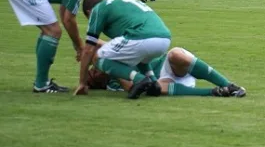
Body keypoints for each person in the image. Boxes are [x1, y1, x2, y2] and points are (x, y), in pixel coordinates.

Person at [3, 0, 122, 93]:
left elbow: (64, 10)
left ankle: (42, 82)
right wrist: (80, 47)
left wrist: (76, 45)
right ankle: (41, 84)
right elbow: (68, 18)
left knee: (50, 31)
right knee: (53, 31)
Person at [74, 0, 172, 99]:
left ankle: (139, 79)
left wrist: (82, 83)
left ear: (89, 12)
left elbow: (89, 50)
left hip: (142, 36)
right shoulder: (120, 5)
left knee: (99, 57)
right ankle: (154, 83)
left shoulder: (97, 10)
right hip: (164, 38)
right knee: (138, 55)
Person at [86, 45, 246, 98]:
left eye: (93, 69)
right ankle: (213, 92)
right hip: (163, 83)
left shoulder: (115, 56)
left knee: (175, 54)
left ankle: (230, 85)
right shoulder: (113, 82)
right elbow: (131, 87)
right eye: (94, 73)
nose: (97, 70)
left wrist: (86, 46)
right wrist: (114, 72)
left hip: (168, 67)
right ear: (98, 82)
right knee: (152, 88)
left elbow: (102, 44)